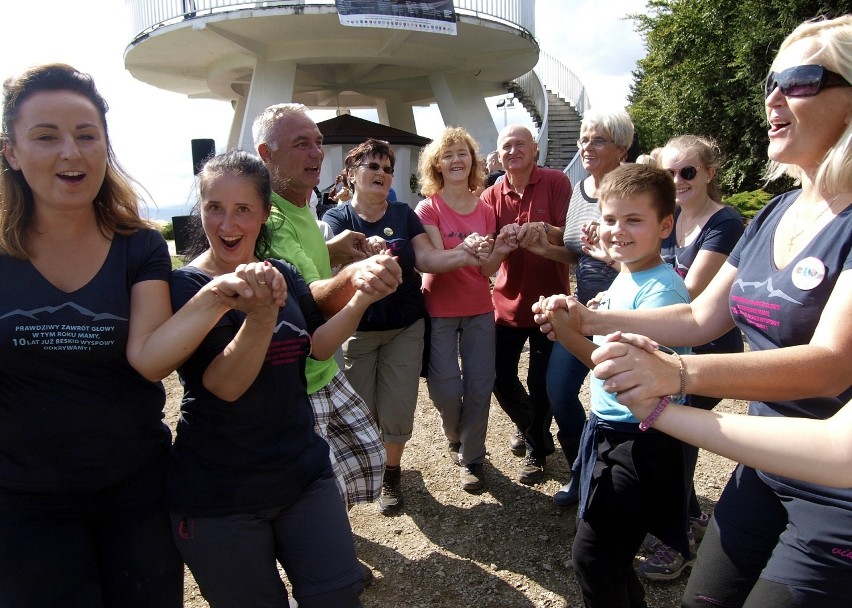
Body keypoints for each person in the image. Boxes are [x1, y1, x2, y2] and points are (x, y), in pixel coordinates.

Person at [538, 15, 852, 607]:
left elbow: (832, 363)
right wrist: (588, 318)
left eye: (803, 80)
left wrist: (677, 376)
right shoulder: (776, 212)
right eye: (770, 81)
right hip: (762, 466)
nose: (775, 97)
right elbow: (701, 318)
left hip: (838, 493)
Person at [0, 64, 279, 608]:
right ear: (9, 151)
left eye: (86, 136)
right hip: (23, 501)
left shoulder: (139, 247)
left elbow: (150, 359)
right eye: (45, 136)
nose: (70, 153)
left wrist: (221, 295)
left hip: (135, 489)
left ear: (106, 146)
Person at [169, 150, 378, 607]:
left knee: (340, 596)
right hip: (221, 496)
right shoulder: (187, 288)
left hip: (303, 474)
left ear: (265, 214)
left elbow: (317, 347)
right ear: (199, 210)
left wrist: (362, 297)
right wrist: (261, 317)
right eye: (214, 207)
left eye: (243, 209)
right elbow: (225, 385)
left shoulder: (282, 272)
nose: (228, 224)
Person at [537, 163, 691, 607]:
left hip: (641, 441)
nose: (617, 231)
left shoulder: (660, 292)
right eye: (609, 220)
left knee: (593, 559)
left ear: (665, 225)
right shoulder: (626, 275)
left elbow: (628, 378)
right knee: (612, 558)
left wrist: (568, 334)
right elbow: (605, 347)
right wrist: (567, 321)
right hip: (609, 429)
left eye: (633, 220)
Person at [323, 138, 488, 515]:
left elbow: (427, 258)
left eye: (387, 168)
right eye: (372, 167)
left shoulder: (403, 213)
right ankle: (363, 468)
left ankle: (391, 473)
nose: (381, 174)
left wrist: (463, 254)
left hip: (405, 327)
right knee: (362, 409)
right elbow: (330, 259)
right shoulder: (337, 220)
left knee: (398, 406)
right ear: (351, 175)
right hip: (357, 331)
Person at [252, 103, 400, 514]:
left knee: (366, 454)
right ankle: (327, 552)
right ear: (266, 154)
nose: (316, 152)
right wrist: (356, 279)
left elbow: (303, 263)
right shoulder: (271, 215)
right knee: (319, 487)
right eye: (301, 144)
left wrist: (333, 250)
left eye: (318, 142)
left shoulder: (301, 201)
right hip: (295, 379)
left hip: (322, 367)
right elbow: (308, 300)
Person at [636, 134, 745, 581]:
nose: (677, 181)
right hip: (672, 350)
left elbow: (691, 292)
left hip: (708, 355)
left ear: (709, 173)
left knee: (669, 440)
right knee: (671, 440)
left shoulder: (726, 223)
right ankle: (690, 516)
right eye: (669, 173)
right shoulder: (672, 216)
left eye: (687, 172)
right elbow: (646, 271)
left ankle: (675, 542)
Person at [414, 126, 515, 492]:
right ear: (436, 164)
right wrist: (467, 250)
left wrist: (500, 248)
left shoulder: (486, 210)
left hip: (477, 307)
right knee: (444, 388)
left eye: (463, 153)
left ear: (472, 160)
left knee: (479, 384)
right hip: (439, 306)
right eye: (448, 155)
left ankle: (472, 457)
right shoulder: (428, 207)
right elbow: (436, 261)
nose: (456, 160)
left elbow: (485, 269)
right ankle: (454, 432)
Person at [548, 108, 634, 503]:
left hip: (628, 314)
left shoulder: (634, 191)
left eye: (597, 139)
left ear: (622, 148)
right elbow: (575, 253)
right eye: (584, 138)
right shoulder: (579, 190)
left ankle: (639, 489)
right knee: (560, 392)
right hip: (583, 311)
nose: (585, 145)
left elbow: (648, 259)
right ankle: (581, 471)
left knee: (627, 404)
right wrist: (536, 243)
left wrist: (603, 251)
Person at [479, 124, 573, 484]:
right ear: (498, 155)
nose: (513, 151)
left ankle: (536, 448)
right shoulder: (492, 193)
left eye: (520, 145)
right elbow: (487, 254)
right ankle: (534, 427)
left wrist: (544, 232)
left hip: (550, 303)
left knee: (541, 380)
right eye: (506, 147)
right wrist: (500, 241)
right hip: (506, 302)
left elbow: (572, 244)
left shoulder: (555, 182)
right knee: (498, 376)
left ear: (535, 149)